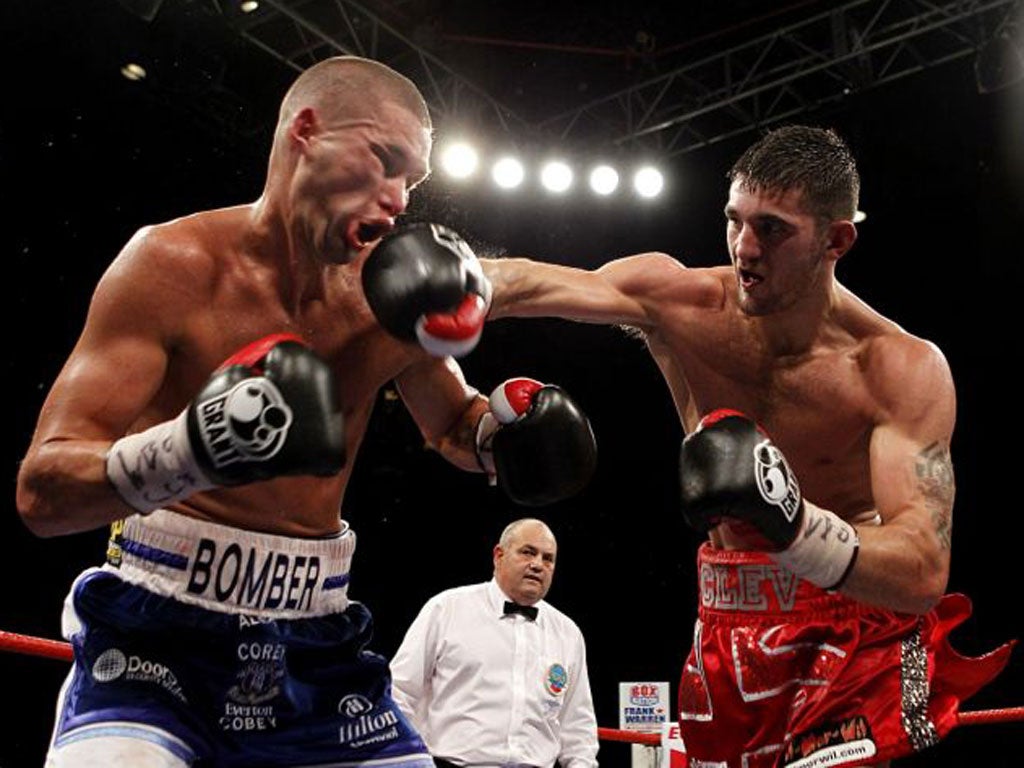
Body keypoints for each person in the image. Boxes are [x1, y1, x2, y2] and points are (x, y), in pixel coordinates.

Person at [14, 56, 596, 768]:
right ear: (306, 132)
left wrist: (508, 432)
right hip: (154, 636)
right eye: (384, 162)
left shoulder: (385, 291)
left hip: (315, 640)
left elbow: (453, 426)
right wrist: (192, 449)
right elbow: (43, 494)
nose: (397, 200)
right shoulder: (171, 266)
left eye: (411, 183)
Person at [476, 125, 1015, 767]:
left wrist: (793, 519)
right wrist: (449, 278)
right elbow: (526, 283)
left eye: (773, 228)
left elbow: (923, 567)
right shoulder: (682, 302)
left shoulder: (896, 369)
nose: (745, 248)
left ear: (837, 239)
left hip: (854, 631)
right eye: (735, 221)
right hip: (727, 618)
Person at [389, 518, 599, 768]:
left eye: (548, 558)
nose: (537, 565)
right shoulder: (447, 609)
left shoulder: (568, 633)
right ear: (499, 555)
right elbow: (399, 692)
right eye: (528, 552)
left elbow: (578, 729)